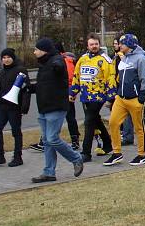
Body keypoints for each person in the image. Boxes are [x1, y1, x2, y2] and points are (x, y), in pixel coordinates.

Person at [28, 38, 84, 183]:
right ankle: (49, 172)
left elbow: (59, 67)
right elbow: (44, 85)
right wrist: (29, 88)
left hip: (56, 107)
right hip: (44, 108)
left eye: (36, 49)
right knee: (47, 141)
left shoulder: (56, 60)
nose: (34, 52)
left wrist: (57, 66)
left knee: (52, 138)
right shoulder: (44, 65)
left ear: (44, 50)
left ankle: (76, 158)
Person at [104, 34, 145, 167]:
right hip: (121, 98)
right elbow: (120, 78)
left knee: (138, 127)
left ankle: (141, 155)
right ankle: (117, 153)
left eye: (122, 44)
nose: (119, 45)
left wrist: (141, 98)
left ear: (129, 45)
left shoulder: (140, 58)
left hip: (135, 99)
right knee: (113, 122)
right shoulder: (123, 58)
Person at [70, 34, 116, 162]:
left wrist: (110, 97)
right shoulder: (82, 59)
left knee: (89, 122)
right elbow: (76, 76)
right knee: (95, 120)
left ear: (99, 44)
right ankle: (108, 144)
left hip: (98, 97)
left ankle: (86, 153)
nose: (94, 46)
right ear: (88, 46)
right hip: (85, 96)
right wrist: (73, 92)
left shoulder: (105, 60)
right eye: (91, 44)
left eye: (96, 44)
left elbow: (110, 78)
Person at [0, 48, 29, 168]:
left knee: (16, 131)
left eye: (8, 57)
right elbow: (1, 90)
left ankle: (18, 156)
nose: (5, 60)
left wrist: (24, 108)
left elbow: (26, 90)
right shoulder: (3, 71)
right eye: (3, 58)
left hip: (15, 107)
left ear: (13, 58)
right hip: (2, 105)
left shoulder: (20, 70)